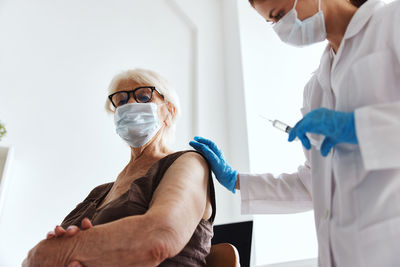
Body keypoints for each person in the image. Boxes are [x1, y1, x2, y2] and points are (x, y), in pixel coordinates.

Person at [190, 0, 400, 266]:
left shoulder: (392, 22)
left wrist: (359, 126)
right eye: (273, 22)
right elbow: (313, 185)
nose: (283, 28)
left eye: (280, 14)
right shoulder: (315, 89)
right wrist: (236, 180)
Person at [23, 69, 216, 267]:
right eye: (121, 101)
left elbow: (159, 237)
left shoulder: (188, 163)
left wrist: (58, 252)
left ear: (169, 111)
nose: (130, 105)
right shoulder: (99, 192)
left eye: (143, 96)